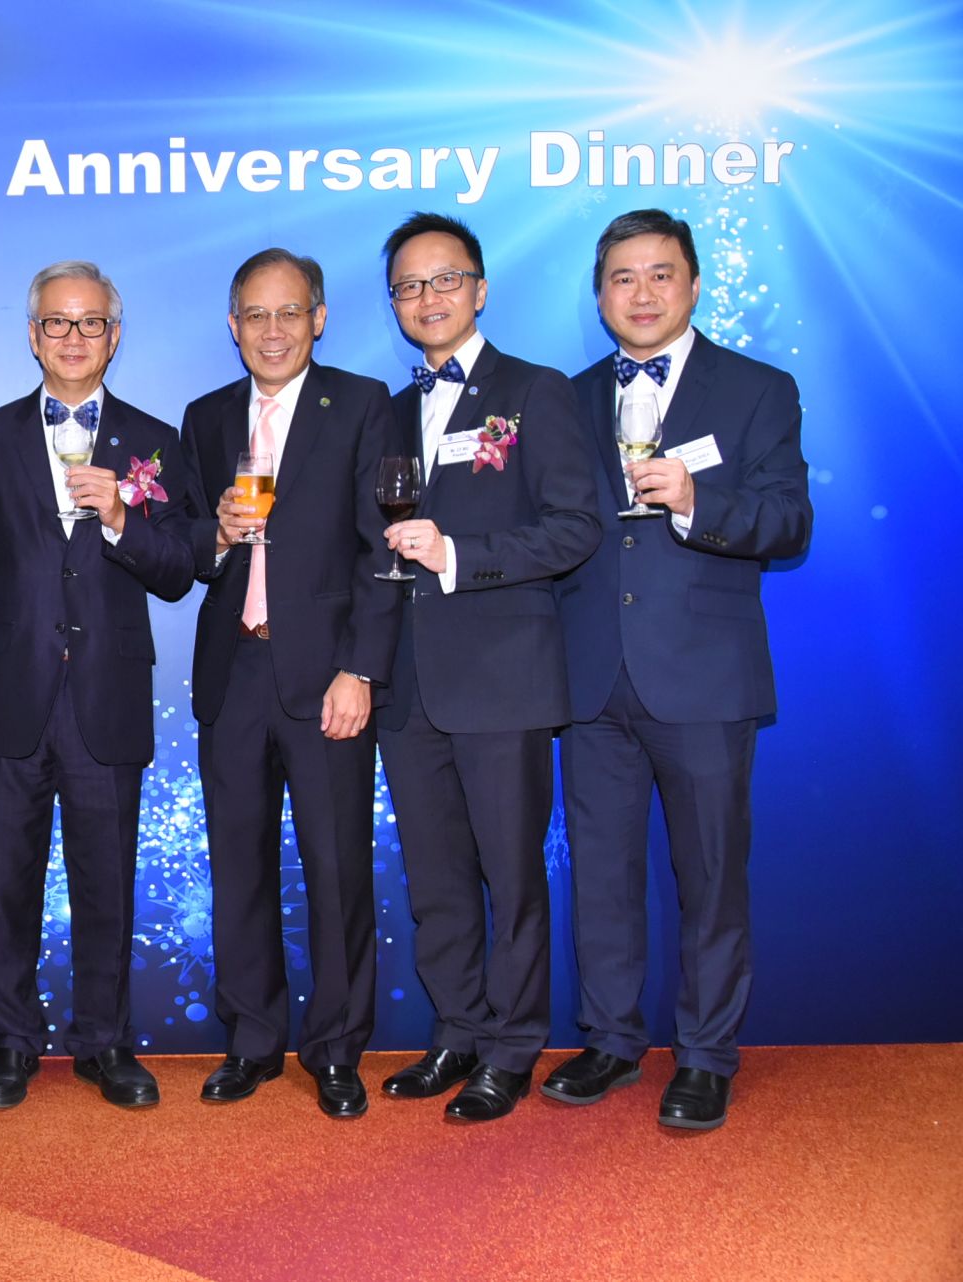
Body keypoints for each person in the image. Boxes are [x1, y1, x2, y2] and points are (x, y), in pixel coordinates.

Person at [544, 209, 811, 1130]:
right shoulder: (566, 398)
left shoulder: (757, 389)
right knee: (601, 876)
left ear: (694, 284)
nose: (643, 292)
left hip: (704, 677)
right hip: (590, 679)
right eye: (623, 277)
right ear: (600, 295)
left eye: (661, 273)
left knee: (710, 875)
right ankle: (612, 1040)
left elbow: (790, 522)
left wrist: (699, 500)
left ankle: (704, 1056)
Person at [0, 261, 193, 1110]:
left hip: (105, 693)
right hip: (8, 694)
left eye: (91, 323)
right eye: (58, 322)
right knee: (3, 883)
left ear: (115, 337)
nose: (74, 337)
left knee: (105, 881)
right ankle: (9, 1043)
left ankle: (105, 1044)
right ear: (33, 334)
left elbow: (179, 569)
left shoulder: (154, 440)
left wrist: (122, 518)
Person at [374, 212, 600, 1122]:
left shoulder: (535, 391)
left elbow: (575, 527)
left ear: (479, 288)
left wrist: (458, 555)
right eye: (408, 286)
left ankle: (512, 1046)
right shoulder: (389, 412)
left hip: (503, 678)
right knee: (435, 881)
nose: (427, 298)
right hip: (409, 685)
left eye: (444, 279)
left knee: (511, 874)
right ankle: (457, 1031)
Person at [179, 249, 401, 1118]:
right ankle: (251, 1039)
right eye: (255, 315)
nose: (272, 331)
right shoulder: (205, 417)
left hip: (327, 673)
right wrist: (216, 535)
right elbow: (187, 546)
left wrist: (361, 668)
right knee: (238, 864)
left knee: (336, 866)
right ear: (232, 326)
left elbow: (383, 548)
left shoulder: (363, 404)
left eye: (289, 312)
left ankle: (337, 1048)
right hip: (233, 669)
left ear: (319, 318)